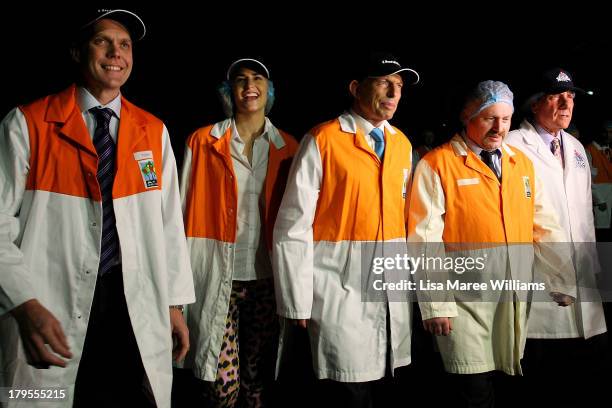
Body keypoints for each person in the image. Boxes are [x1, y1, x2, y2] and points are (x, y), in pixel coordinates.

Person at [0, 9, 194, 407]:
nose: (116, 53)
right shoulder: (27, 123)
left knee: (126, 396)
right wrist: (23, 302)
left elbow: (170, 226)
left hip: (130, 306)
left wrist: (173, 305)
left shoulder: (153, 131)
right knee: (39, 396)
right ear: (76, 51)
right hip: (47, 306)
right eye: (102, 41)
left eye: (124, 45)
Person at [407, 80, 575, 408]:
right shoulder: (438, 164)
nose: (499, 128)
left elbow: (545, 226)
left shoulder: (520, 165)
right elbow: (425, 240)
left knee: (505, 379)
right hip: (463, 302)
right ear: (467, 116)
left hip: (511, 296)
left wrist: (562, 278)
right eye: (489, 118)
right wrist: (436, 304)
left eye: (506, 119)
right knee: (473, 387)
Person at [272, 52, 418, 407]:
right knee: (348, 390)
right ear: (355, 88)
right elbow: (293, 224)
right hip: (338, 286)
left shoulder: (401, 143)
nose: (393, 91)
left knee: (386, 384)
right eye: (384, 82)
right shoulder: (323, 139)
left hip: (390, 286)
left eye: (398, 85)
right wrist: (296, 299)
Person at [180, 58, 298, 407]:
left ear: (268, 89)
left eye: (258, 77)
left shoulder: (289, 147)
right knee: (222, 387)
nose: (250, 84)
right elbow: (181, 208)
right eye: (241, 79)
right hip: (218, 276)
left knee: (256, 382)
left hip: (267, 279)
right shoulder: (202, 141)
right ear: (229, 91)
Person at [506, 68, 608, 405]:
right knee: (543, 369)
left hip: (582, 276)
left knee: (584, 372)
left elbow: (583, 216)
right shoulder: (512, 145)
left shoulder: (577, 148)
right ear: (534, 105)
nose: (566, 103)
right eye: (556, 96)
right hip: (538, 275)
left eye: (571, 96)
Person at [586, 120, 612, 235]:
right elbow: (588, 180)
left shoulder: (609, 150)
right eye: (605, 132)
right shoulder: (589, 150)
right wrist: (599, 199)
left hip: (609, 195)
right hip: (601, 197)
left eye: (611, 132)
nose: (608, 135)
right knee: (601, 230)